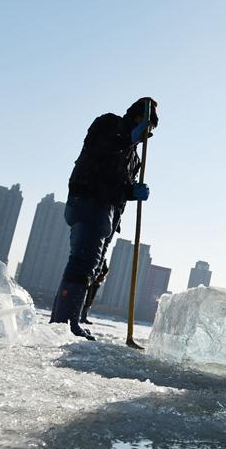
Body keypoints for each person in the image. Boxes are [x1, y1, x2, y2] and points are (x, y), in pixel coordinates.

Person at [50, 97, 158, 340]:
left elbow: (119, 186)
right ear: (137, 118)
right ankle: (65, 323)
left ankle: (64, 321)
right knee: (84, 262)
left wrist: (133, 192)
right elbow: (101, 149)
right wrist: (127, 138)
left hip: (109, 213)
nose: (146, 135)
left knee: (93, 266)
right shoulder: (108, 124)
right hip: (88, 202)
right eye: (146, 127)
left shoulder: (135, 158)